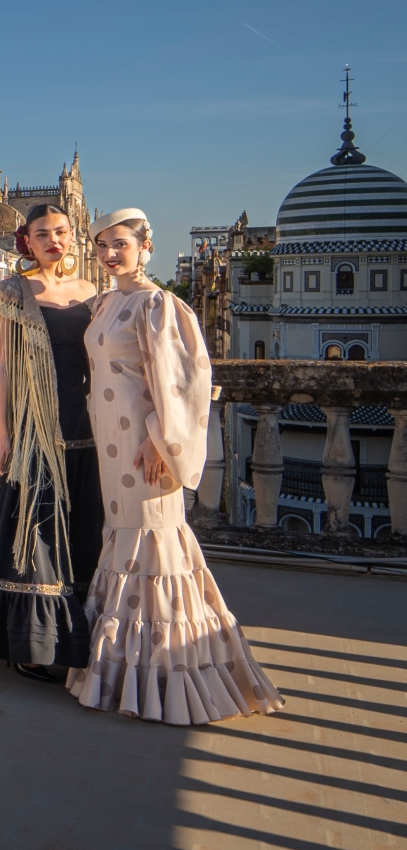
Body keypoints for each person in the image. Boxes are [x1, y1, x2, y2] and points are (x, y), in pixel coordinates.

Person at [69, 210, 283, 723]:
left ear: (146, 248)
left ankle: (167, 676)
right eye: (101, 245)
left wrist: (160, 442)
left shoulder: (159, 304)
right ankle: (123, 675)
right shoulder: (104, 303)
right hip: (110, 444)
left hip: (143, 449)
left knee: (155, 543)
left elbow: (185, 382)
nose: (109, 253)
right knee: (124, 538)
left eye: (120, 244)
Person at [0, 205, 97, 680]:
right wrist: (3, 433)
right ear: (24, 240)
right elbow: (2, 366)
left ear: (73, 238)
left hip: (86, 426)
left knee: (83, 529)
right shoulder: (13, 291)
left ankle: (81, 634)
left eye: (62, 232)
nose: (54, 240)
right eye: (42, 234)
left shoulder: (92, 291)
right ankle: (32, 643)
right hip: (35, 428)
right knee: (36, 533)